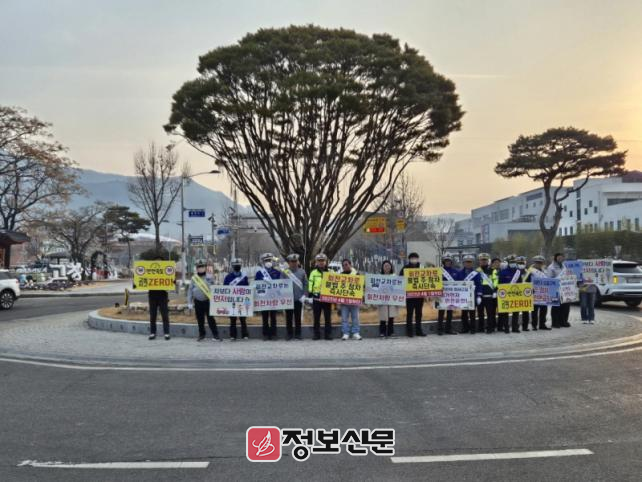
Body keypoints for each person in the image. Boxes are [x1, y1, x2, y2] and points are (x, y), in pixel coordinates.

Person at [187, 260, 220, 341]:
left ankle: (216, 335)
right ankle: (202, 335)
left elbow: (214, 287)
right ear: (197, 268)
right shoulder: (194, 278)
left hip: (207, 300)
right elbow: (190, 290)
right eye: (199, 267)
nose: (200, 268)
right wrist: (189, 302)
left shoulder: (209, 276)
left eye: (202, 267)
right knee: (200, 319)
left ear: (205, 268)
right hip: (197, 301)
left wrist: (210, 279)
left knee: (211, 319)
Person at [255, 253, 282, 341]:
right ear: (263, 262)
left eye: (269, 260)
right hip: (264, 298)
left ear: (272, 261)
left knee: (273, 317)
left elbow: (281, 285)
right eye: (266, 260)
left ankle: (274, 334)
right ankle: (265, 334)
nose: (268, 262)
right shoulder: (259, 273)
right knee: (265, 317)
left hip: (273, 298)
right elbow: (256, 285)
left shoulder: (277, 272)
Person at [400, 252, 426, 337]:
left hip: (420, 295)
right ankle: (409, 331)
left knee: (419, 313)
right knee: (409, 314)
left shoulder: (422, 267)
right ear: (409, 259)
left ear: (418, 259)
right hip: (409, 296)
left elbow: (427, 279)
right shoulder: (405, 268)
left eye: (415, 258)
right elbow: (400, 279)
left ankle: (419, 330)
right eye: (412, 258)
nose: (414, 260)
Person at [283, 253, 308, 340]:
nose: (294, 263)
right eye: (292, 261)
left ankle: (298, 334)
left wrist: (304, 295)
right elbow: (281, 284)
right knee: (288, 318)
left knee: (298, 317)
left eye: (295, 261)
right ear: (289, 262)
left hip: (299, 298)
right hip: (288, 299)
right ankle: (289, 334)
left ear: (298, 262)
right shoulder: (285, 272)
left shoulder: (302, 272)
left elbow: (306, 284)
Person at [308, 253, 333, 340]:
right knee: (316, 317)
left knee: (327, 317)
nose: (321, 262)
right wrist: (310, 292)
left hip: (327, 297)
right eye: (319, 261)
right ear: (316, 262)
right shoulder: (313, 272)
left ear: (326, 262)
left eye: (323, 260)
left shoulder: (330, 272)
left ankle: (328, 334)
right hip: (316, 297)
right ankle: (316, 334)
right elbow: (310, 282)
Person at [224, 258, 249, 340]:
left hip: (242, 301)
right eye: (235, 265)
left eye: (238, 265)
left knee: (243, 319)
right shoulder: (228, 277)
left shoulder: (244, 277)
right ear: (232, 266)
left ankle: (245, 335)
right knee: (232, 319)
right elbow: (224, 289)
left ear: (241, 266)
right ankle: (233, 335)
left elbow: (247, 288)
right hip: (232, 301)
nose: (237, 267)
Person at [147, 254, 171, 341]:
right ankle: (152, 333)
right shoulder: (149, 272)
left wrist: (173, 280)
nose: (158, 264)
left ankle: (166, 333)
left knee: (165, 315)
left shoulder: (166, 272)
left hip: (163, 296)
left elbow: (172, 281)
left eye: (160, 262)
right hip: (152, 296)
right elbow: (141, 280)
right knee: (153, 315)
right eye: (156, 262)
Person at [338, 259, 362, 341]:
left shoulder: (356, 274)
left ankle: (356, 333)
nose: (345, 266)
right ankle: (346, 333)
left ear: (350, 265)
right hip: (344, 301)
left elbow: (361, 286)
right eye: (343, 265)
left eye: (346, 264)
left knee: (355, 318)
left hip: (354, 301)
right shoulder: (340, 275)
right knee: (344, 318)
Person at [497, 254, 521, 333]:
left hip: (516, 294)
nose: (513, 263)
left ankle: (515, 327)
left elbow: (521, 284)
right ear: (508, 262)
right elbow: (500, 284)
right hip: (506, 295)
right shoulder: (503, 272)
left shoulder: (518, 272)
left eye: (514, 262)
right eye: (511, 262)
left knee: (516, 312)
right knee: (505, 312)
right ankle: (506, 327)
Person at [458, 255, 480, 334]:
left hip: (472, 296)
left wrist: (479, 295)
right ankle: (465, 328)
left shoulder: (476, 273)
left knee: (472, 313)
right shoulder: (459, 273)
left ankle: (473, 328)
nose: (468, 264)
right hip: (463, 297)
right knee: (464, 314)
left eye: (470, 262)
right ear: (463, 263)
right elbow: (457, 284)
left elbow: (479, 284)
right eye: (466, 262)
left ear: (472, 263)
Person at [527, 255, 551, 330]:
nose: (539, 264)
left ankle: (542, 324)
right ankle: (534, 325)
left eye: (540, 262)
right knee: (534, 310)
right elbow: (526, 281)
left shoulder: (545, 271)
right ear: (534, 262)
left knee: (544, 310)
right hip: (535, 293)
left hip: (544, 293)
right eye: (537, 262)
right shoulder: (530, 271)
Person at [547, 253, 571, 328]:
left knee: (565, 306)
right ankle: (555, 323)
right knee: (556, 307)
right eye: (559, 258)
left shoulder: (564, 266)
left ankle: (563, 321)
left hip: (565, 289)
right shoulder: (551, 267)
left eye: (561, 257)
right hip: (556, 289)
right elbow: (549, 278)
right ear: (555, 258)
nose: (560, 259)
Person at [476, 253, 498, 334]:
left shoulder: (493, 270)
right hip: (480, 296)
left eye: (485, 260)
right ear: (479, 261)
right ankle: (481, 328)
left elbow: (496, 281)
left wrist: (495, 291)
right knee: (480, 313)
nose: (483, 261)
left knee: (490, 313)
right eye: (482, 260)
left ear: (488, 261)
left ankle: (490, 328)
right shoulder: (476, 271)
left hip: (490, 296)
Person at [437, 254, 458, 335]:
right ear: (443, 262)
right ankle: (440, 329)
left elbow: (459, 283)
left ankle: (448, 329)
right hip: (441, 295)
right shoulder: (439, 271)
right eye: (446, 261)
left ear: (451, 262)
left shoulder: (455, 271)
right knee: (441, 312)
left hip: (451, 295)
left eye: (449, 261)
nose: (448, 262)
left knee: (450, 312)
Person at [378, 260, 398, 338]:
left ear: (391, 267)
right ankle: (382, 332)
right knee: (383, 316)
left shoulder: (394, 276)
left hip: (392, 299)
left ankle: (390, 332)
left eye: (388, 266)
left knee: (391, 316)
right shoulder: (379, 277)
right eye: (385, 266)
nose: (387, 267)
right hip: (382, 299)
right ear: (382, 267)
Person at [516, 256, 533, 331]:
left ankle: (525, 327)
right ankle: (515, 326)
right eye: (519, 263)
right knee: (516, 311)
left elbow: (531, 282)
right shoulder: (515, 272)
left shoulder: (528, 272)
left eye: (522, 263)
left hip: (526, 293)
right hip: (516, 293)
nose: (521, 264)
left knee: (526, 311)